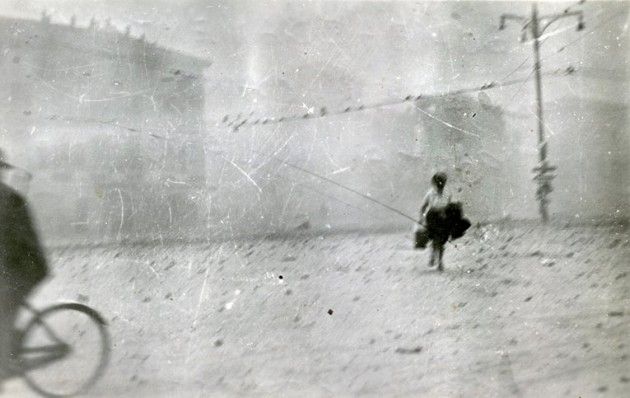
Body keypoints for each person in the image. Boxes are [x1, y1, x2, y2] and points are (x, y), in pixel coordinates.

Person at [0, 150, 49, 380]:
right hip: (12, 267)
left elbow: (13, 243)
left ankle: (7, 361)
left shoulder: (7, 199)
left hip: (27, 269)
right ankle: (10, 347)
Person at [419, 172, 452, 271]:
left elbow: (448, 206)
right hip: (432, 217)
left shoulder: (448, 193)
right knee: (435, 238)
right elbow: (423, 207)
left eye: (442, 182)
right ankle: (433, 256)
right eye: (438, 182)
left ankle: (440, 261)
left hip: (443, 218)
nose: (440, 184)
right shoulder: (430, 193)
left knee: (442, 241)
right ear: (435, 182)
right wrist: (422, 218)